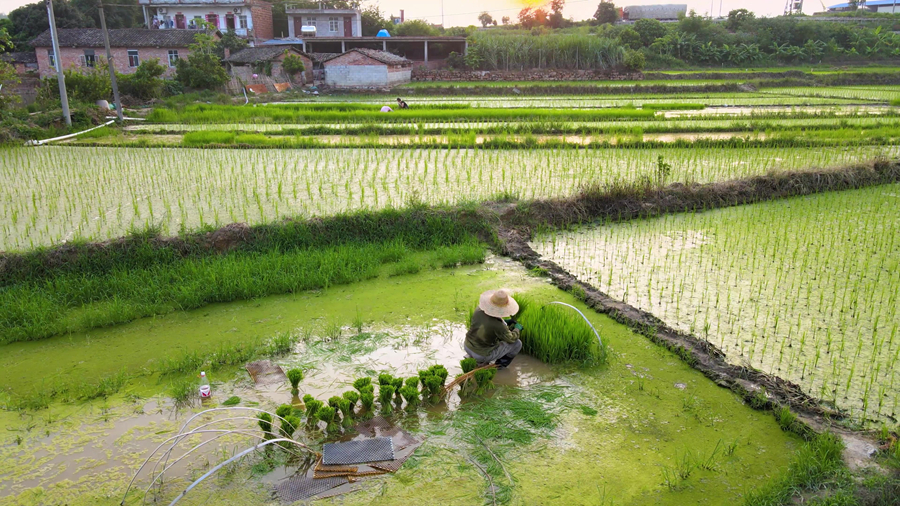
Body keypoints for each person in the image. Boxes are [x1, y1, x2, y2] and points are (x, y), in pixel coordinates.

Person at [464, 289, 524, 369]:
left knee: (494, 340)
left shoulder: (478, 310)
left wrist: (505, 322)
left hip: (467, 346)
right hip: (481, 355)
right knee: (517, 344)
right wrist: (517, 329)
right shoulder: (499, 325)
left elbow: (486, 324)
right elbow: (511, 339)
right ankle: (499, 366)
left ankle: (473, 358)